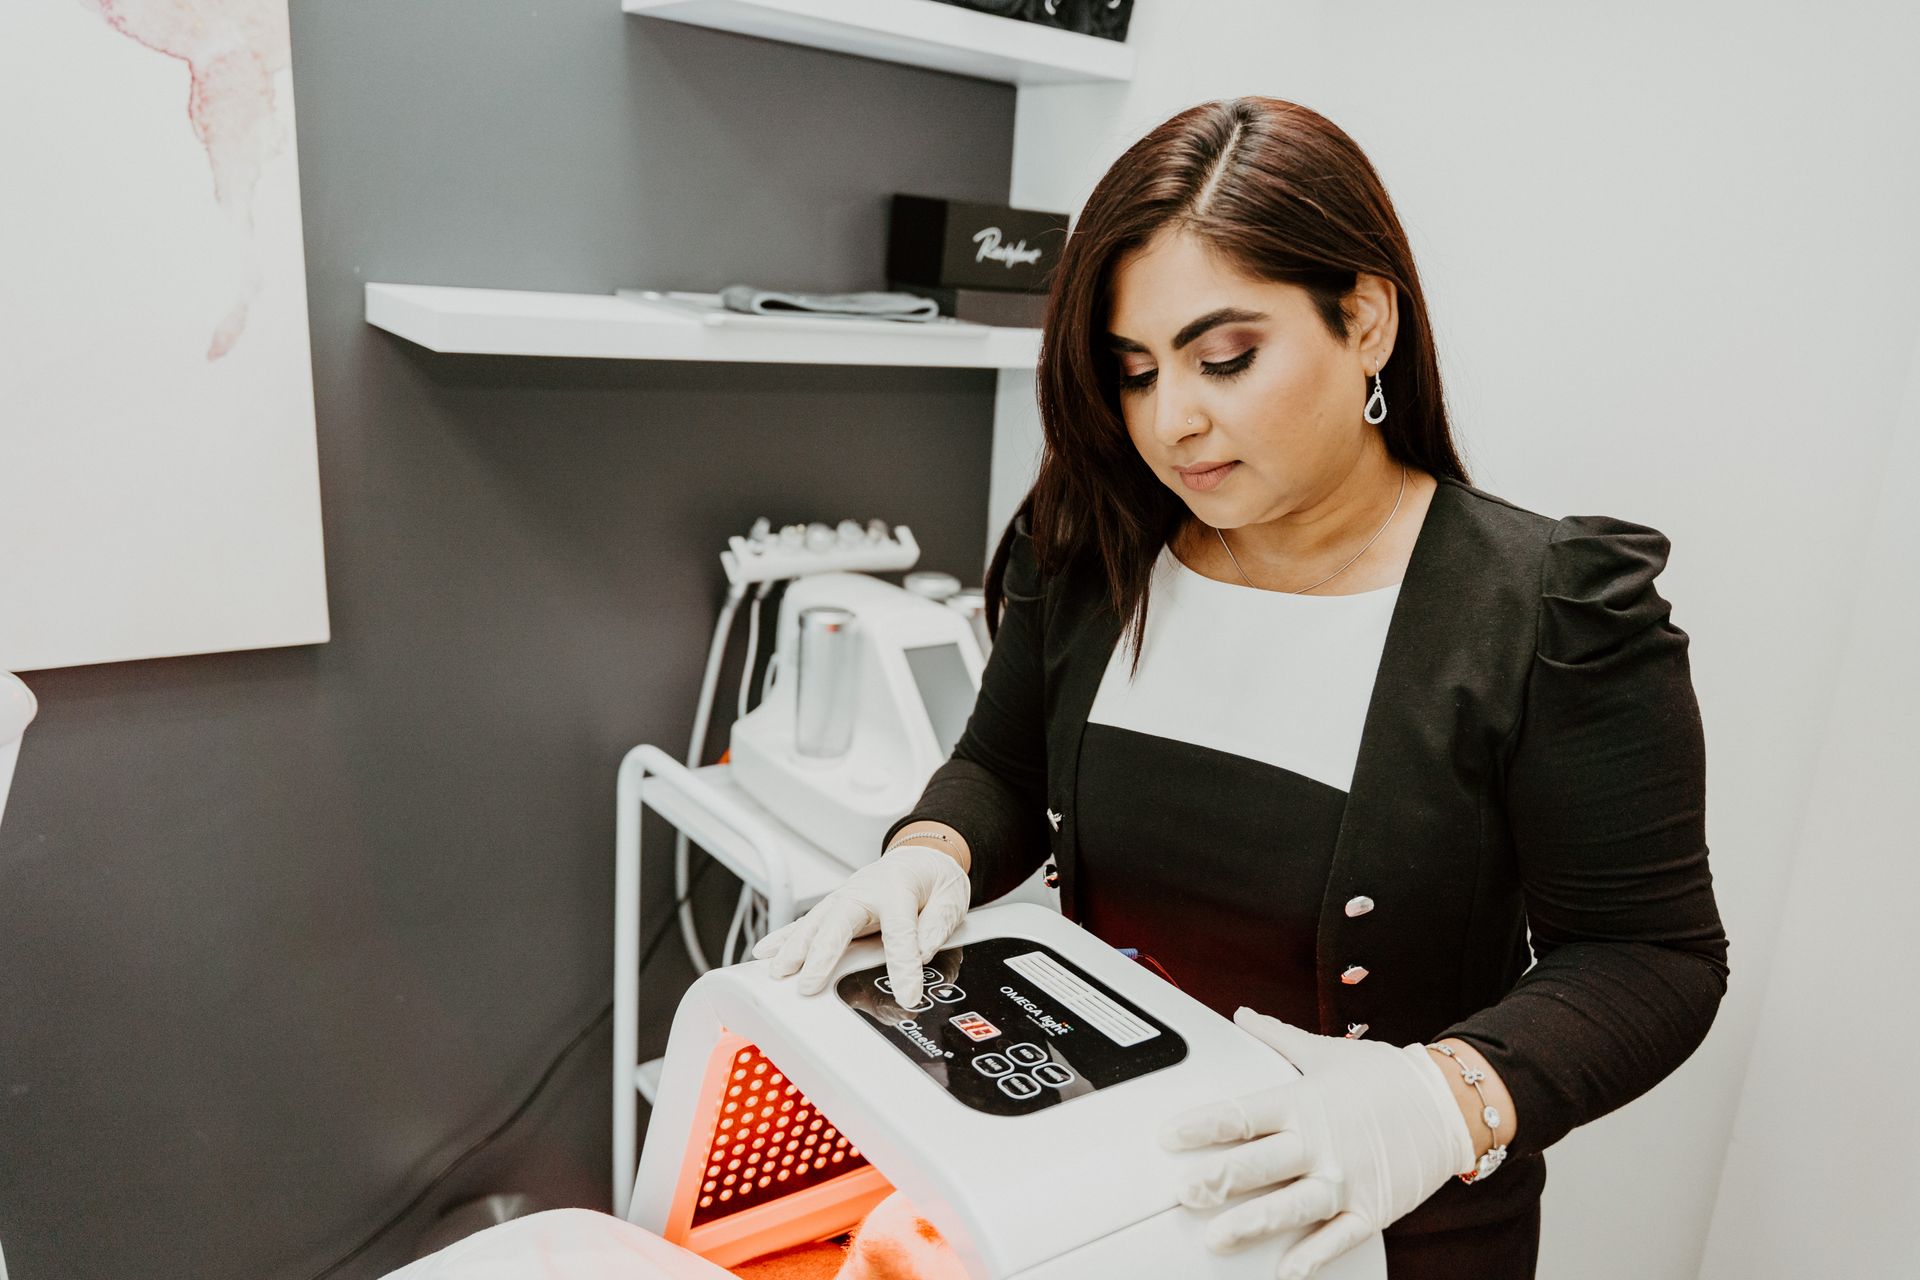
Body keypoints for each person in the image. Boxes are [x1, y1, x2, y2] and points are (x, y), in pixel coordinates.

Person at [752, 96, 1729, 1279]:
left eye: (1225, 358)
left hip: (1386, 1228)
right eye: (1134, 372)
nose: (1175, 421)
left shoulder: (1552, 610)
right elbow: (1002, 768)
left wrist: (1446, 1095)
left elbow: (1650, 955)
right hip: (1107, 1199)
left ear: (1365, 318)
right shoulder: (1097, 548)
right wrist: (930, 849)